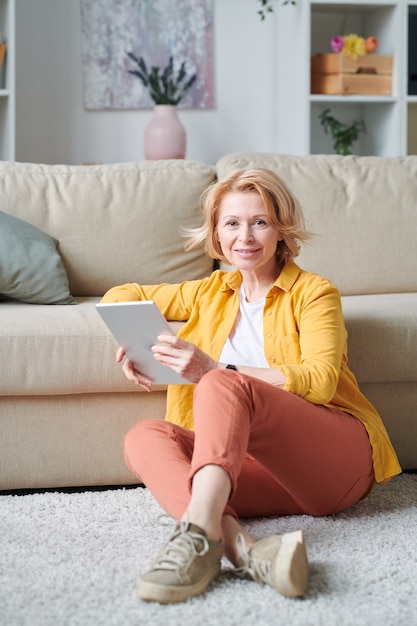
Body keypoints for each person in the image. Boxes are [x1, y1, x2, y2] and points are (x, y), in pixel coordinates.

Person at [102, 168, 401, 605]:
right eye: (232, 223)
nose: (246, 236)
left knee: (220, 381)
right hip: (250, 469)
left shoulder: (315, 293)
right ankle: (242, 549)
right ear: (217, 235)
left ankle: (195, 540)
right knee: (144, 435)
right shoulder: (209, 291)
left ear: (281, 230)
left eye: (260, 222)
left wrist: (214, 368)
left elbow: (319, 382)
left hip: (331, 463)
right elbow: (119, 296)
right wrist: (141, 348)